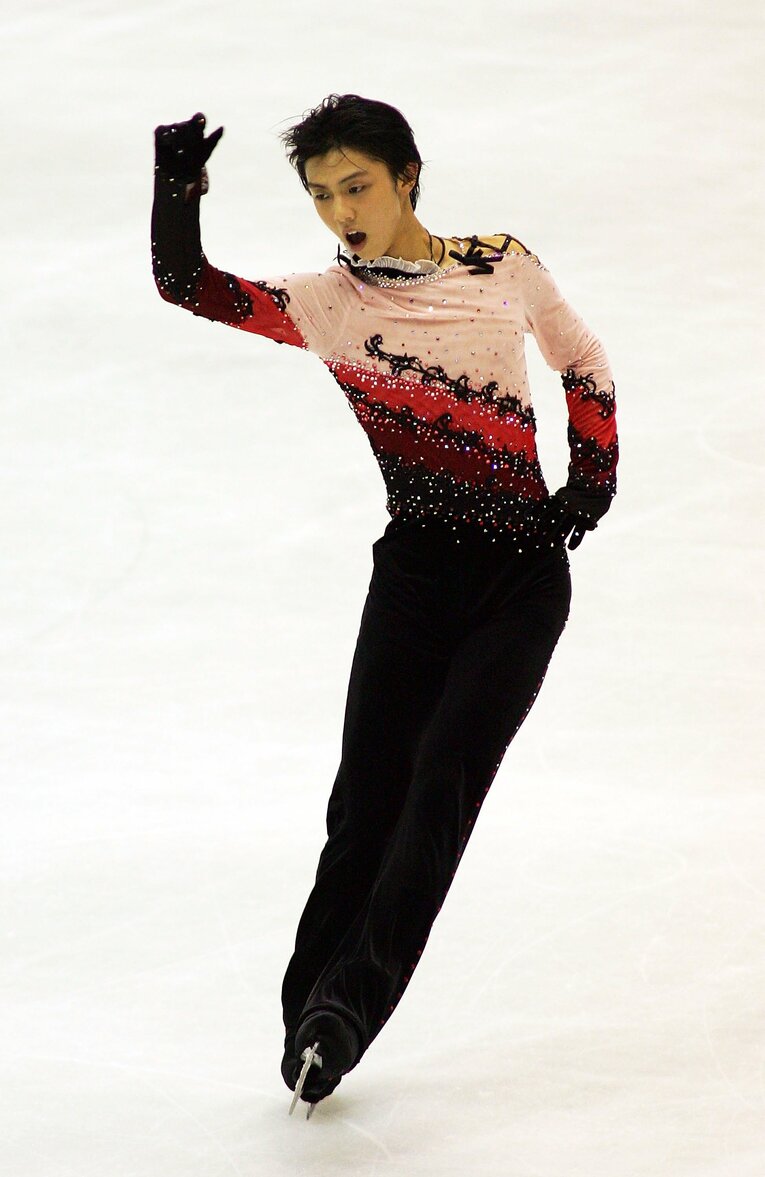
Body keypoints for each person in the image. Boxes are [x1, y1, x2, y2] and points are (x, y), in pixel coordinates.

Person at [150, 94, 618, 1117]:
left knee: (440, 782)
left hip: (519, 583)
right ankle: (307, 1016)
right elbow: (188, 284)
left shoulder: (501, 263)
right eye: (320, 195)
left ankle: (343, 1018)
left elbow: (579, 356)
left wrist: (593, 470)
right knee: (365, 807)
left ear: (409, 176)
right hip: (413, 576)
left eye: (356, 186)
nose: (340, 212)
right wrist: (178, 190)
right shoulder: (330, 302)